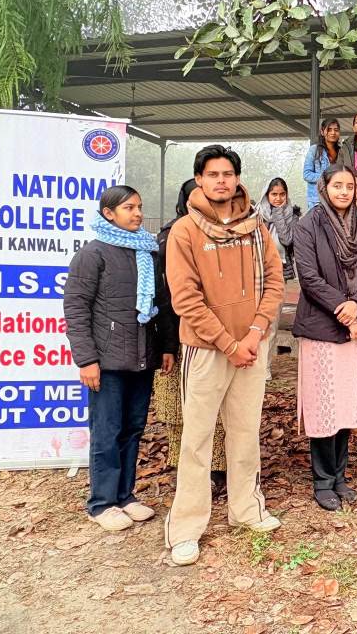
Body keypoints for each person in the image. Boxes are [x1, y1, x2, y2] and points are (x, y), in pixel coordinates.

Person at [164, 145, 285, 566]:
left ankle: (246, 509)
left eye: (228, 174)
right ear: (199, 180)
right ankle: (186, 528)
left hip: (251, 347)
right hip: (207, 350)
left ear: (237, 179)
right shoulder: (184, 231)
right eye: (212, 174)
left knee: (245, 432)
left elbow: (275, 282)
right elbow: (185, 299)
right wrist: (229, 344)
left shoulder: (256, 227)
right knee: (196, 440)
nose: (221, 181)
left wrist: (254, 333)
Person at [64, 186, 177, 531]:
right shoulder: (93, 254)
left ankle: (125, 496)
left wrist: (167, 346)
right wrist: (86, 360)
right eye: (129, 207)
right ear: (109, 213)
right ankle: (102, 503)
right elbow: (76, 309)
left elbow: (162, 303)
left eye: (139, 207)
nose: (137, 213)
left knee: (132, 428)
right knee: (107, 432)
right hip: (107, 362)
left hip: (142, 357)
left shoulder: (148, 252)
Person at [292, 164, 357, 510]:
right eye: (338, 186)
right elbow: (308, 276)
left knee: (347, 403)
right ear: (324, 188)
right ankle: (322, 481)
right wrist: (343, 308)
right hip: (321, 326)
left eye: (350, 186)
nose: (344, 192)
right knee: (323, 406)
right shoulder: (309, 225)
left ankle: (340, 477)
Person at [154, 179, 228, 485]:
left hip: (221, 334)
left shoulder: (227, 232)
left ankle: (218, 467)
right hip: (181, 335)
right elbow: (164, 296)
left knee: (217, 407)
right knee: (181, 409)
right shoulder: (171, 236)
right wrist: (167, 344)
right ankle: (185, 466)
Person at [259, 177, 301, 280]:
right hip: (261, 265)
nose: (278, 198)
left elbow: (287, 240)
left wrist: (278, 212)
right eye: (274, 194)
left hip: (283, 266)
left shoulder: (293, 216)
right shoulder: (259, 215)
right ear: (267, 195)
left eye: (282, 194)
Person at [303, 118, 341, 209]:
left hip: (336, 199)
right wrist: (326, 177)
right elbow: (306, 174)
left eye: (336, 130)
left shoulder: (342, 151)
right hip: (317, 200)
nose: (333, 133)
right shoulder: (314, 150)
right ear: (322, 132)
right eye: (329, 130)